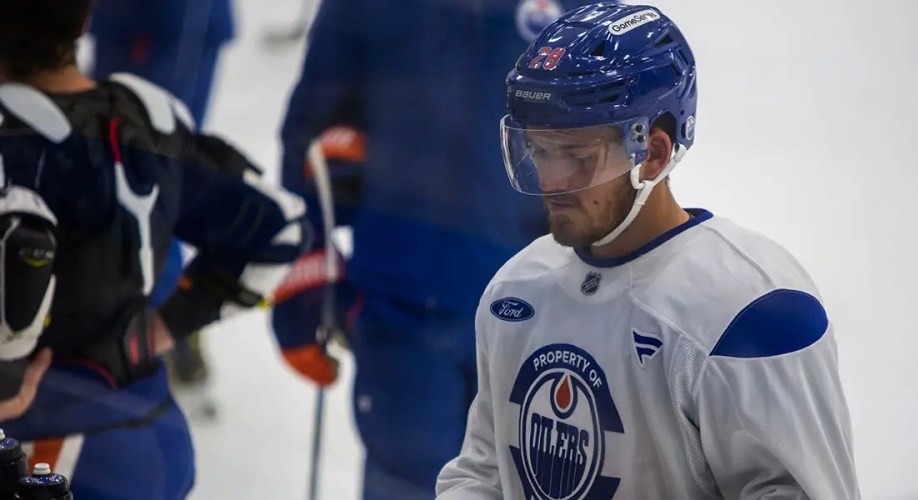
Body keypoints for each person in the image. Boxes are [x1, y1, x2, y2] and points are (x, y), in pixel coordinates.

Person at [436, 3, 861, 499]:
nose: (551, 180)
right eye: (539, 151)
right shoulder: (516, 291)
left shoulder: (751, 311)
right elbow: (484, 473)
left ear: (654, 154)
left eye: (576, 157)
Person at [276, 0, 609, 497]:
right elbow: (312, 135)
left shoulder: (586, 11)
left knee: (534, 481)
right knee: (412, 480)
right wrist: (306, 259)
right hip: (401, 309)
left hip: (544, 315)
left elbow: (618, 156)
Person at [0, 0, 313, 497]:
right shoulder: (145, 118)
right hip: (153, 433)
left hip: (53, 449)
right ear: (86, 19)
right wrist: (157, 333)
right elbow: (279, 226)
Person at [88, 0, 237, 388]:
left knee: (149, 172)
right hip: (123, 25)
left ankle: (164, 332)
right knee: (117, 169)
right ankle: (154, 326)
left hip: (166, 28)